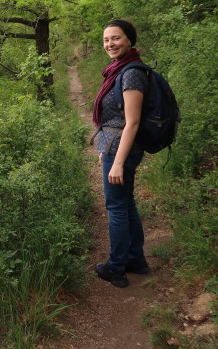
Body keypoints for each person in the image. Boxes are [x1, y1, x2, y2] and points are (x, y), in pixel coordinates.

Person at [92, 19, 150, 288]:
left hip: (122, 148)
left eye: (115, 38)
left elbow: (132, 122)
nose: (110, 44)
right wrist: (106, 149)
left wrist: (117, 162)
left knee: (116, 207)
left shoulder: (131, 73)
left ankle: (116, 268)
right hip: (114, 144)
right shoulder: (119, 70)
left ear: (129, 40)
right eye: (106, 40)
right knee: (125, 203)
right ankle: (136, 260)